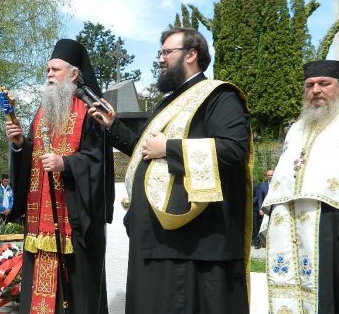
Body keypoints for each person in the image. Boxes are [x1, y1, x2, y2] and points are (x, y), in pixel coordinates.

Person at [88, 27, 251, 314]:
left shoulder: (219, 96)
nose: (160, 59)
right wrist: (113, 126)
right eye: (160, 53)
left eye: (167, 52)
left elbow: (234, 150)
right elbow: (149, 154)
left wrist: (171, 147)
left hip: (193, 246)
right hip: (158, 240)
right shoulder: (170, 102)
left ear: (191, 54)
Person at [5, 38, 115, 313]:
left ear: (74, 74)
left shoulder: (92, 110)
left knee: (78, 296)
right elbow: (34, 157)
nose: (49, 76)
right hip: (40, 222)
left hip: (74, 222)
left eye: (55, 70)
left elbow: (97, 161)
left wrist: (65, 163)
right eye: (47, 71)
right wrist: (19, 144)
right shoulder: (42, 112)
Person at [262, 60, 339, 313]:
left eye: (324, 84)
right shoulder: (296, 128)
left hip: (330, 218)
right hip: (289, 217)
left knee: (327, 288)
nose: (316, 90)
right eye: (310, 85)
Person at [253, 169, 273, 249]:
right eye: (269, 175)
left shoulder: (278, 185)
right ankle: (258, 242)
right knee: (259, 226)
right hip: (264, 209)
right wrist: (260, 209)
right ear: (266, 176)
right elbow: (260, 198)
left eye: (271, 175)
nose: (270, 177)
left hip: (274, 209)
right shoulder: (263, 186)